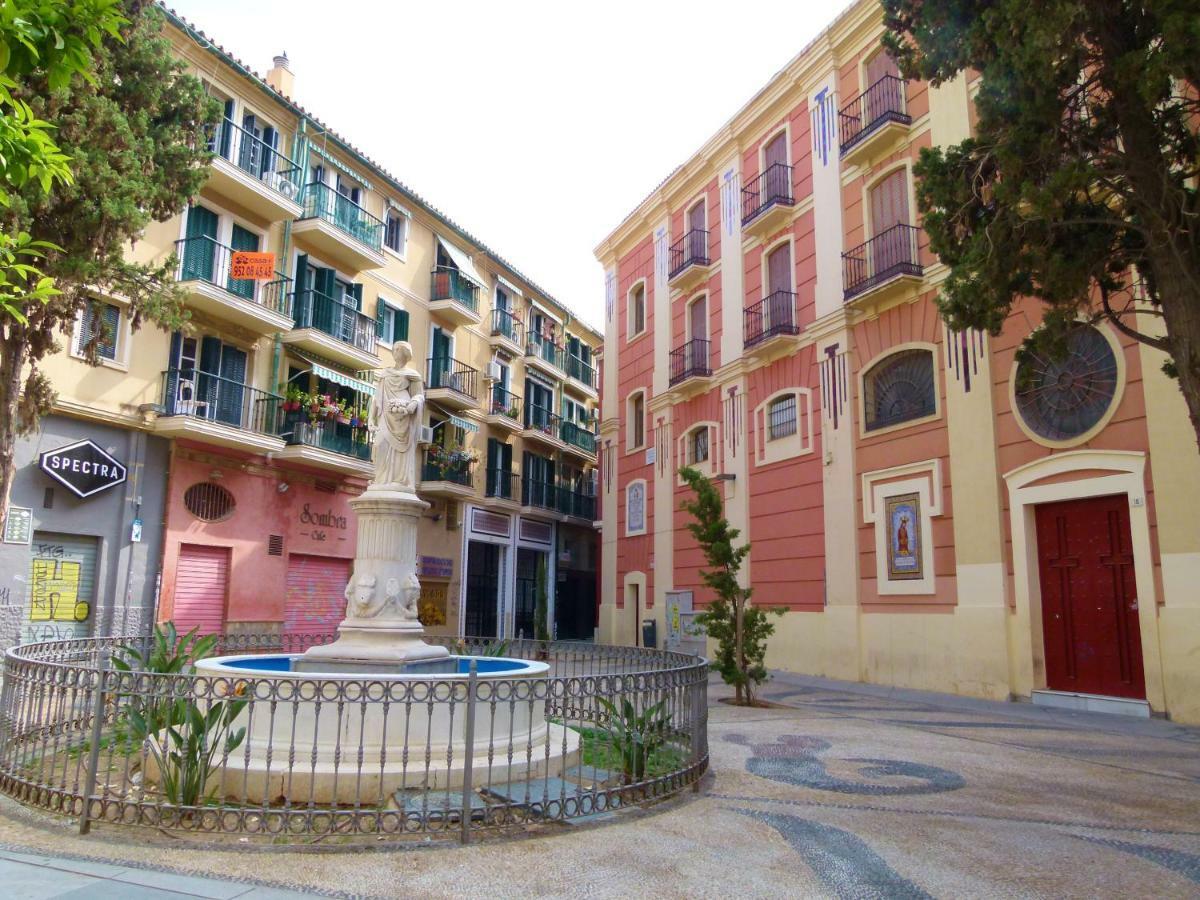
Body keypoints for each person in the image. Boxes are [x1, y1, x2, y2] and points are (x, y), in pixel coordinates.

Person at [368, 341, 424, 489]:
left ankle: (399, 481)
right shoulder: (385, 374)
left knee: (401, 451)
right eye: (394, 349)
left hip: (403, 417)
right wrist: (370, 418)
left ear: (406, 353)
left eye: (398, 349)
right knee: (379, 444)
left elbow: (419, 396)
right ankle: (381, 480)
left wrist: (413, 404)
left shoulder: (413, 375)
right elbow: (376, 398)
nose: (395, 351)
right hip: (385, 417)